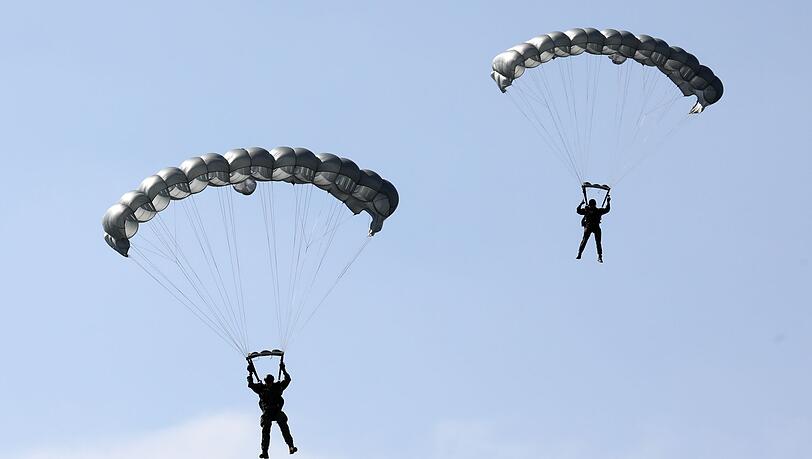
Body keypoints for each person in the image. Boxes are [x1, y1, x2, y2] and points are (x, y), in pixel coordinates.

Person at [247, 361, 298, 457]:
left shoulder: (278, 387)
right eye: (267, 383)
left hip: (276, 411)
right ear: (265, 382)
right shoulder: (261, 388)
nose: (269, 384)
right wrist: (250, 372)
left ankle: (291, 446)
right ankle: (264, 452)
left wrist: (284, 370)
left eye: (270, 382)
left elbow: (288, 379)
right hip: (267, 413)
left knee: (284, 426)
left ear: (272, 381)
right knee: (265, 431)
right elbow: (251, 384)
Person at [576, 196, 611, 263]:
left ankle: (599, 256)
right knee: (586, 240)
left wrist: (608, 201)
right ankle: (580, 253)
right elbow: (607, 209)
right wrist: (608, 202)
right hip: (591, 226)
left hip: (593, 226)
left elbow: (578, 210)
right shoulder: (590, 210)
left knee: (596, 242)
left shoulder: (590, 210)